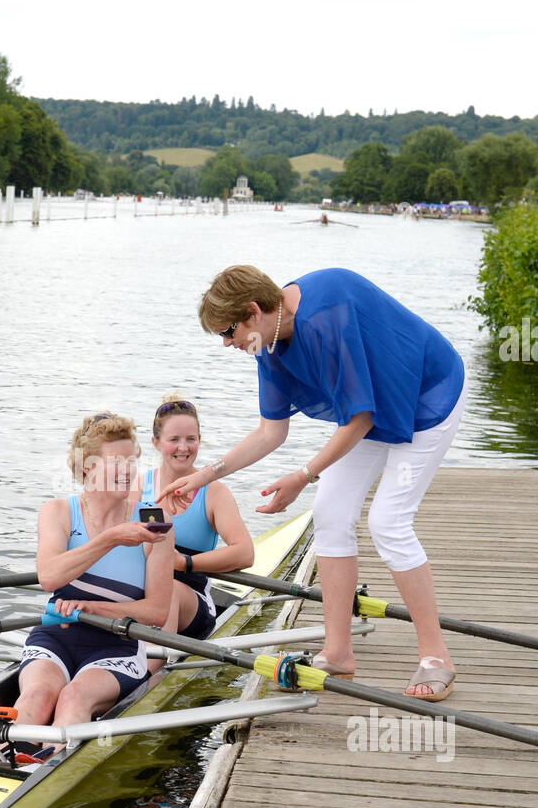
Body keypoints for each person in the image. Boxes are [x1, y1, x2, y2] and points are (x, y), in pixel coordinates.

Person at [157, 265, 467, 701]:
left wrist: (303, 475)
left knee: (388, 521)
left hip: (428, 396)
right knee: (330, 513)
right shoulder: (266, 341)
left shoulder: (326, 317)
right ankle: (338, 652)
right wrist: (202, 477)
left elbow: (359, 419)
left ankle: (437, 657)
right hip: (374, 409)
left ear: (253, 310)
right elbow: (270, 432)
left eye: (229, 331)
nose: (227, 344)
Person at [13, 412, 174, 755]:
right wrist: (113, 538)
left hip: (117, 645)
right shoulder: (58, 512)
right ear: (88, 466)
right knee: (37, 696)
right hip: (56, 635)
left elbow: (157, 613)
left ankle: (41, 767)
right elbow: (50, 578)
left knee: (74, 697)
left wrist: (93, 608)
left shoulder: (154, 521)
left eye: (132, 461)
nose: (128, 470)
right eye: (117, 462)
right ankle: (10, 755)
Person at [138, 395, 254, 641]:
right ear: (156, 443)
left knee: (165, 592)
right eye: (174, 440)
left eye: (191, 439)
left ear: (200, 441)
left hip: (191, 599)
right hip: (143, 592)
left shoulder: (214, 493)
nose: (183, 448)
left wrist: (184, 563)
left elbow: (245, 553)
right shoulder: (139, 486)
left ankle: (153, 670)